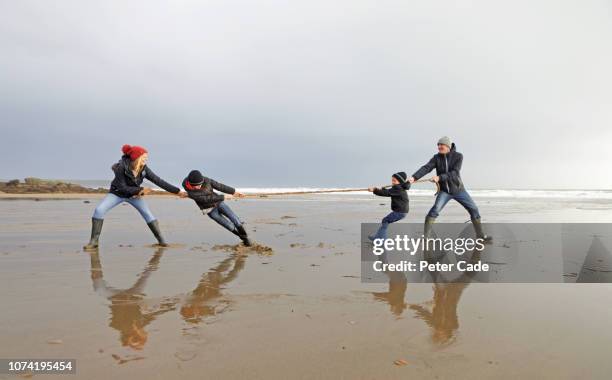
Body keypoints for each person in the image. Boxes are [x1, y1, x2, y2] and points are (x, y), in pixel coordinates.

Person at [84, 144, 186, 250]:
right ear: (136, 157)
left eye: (146, 157)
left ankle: (161, 241)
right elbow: (122, 187)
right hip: (117, 194)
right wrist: (139, 190)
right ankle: (94, 242)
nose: (146, 159)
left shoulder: (144, 169)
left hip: (134, 196)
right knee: (99, 210)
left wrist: (177, 191)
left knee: (148, 214)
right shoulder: (121, 167)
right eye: (144, 157)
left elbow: (158, 181)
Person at [409, 136, 491, 241]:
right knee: (435, 210)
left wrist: (440, 177)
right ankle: (426, 237)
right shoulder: (436, 158)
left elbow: (455, 172)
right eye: (438, 145)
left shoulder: (458, 156)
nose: (439, 147)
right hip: (444, 191)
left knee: (474, 209)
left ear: (447, 146)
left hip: (458, 190)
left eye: (441, 145)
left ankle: (480, 235)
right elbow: (426, 168)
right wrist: (414, 177)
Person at [182, 169, 251, 246]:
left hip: (219, 203)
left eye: (200, 184)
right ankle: (244, 238)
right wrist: (223, 197)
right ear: (190, 184)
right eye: (196, 186)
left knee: (235, 219)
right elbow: (204, 199)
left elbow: (220, 186)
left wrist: (234, 192)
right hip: (209, 210)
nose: (198, 187)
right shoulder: (188, 189)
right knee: (228, 225)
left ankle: (245, 236)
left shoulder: (206, 180)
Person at [368, 172, 410, 240]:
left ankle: (381, 239)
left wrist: (374, 190)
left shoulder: (398, 189)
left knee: (385, 221)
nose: (392, 182)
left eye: (394, 180)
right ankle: (377, 237)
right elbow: (389, 191)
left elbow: (386, 193)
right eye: (392, 180)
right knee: (385, 221)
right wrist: (382, 189)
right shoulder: (400, 188)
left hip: (400, 212)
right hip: (402, 211)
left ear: (400, 181)